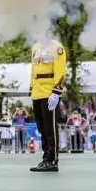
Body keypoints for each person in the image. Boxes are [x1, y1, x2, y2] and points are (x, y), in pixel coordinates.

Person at [28, 37, 66, 173]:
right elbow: (33, 71)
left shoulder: (57, 48)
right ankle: (45, 158)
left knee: (50, 128)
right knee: (41, 127)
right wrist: (31, 88)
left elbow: (60, 71)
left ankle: (52, 159)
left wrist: (56, 92)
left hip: (49, 91)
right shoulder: (35, 47)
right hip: (37, 92)